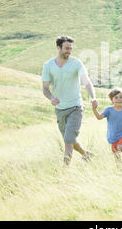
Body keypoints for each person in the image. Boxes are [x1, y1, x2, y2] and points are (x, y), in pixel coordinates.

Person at [42, 35, 98, 165]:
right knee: (71, 140)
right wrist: (51, 98)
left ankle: (65, 170)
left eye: (70, 48)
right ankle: (87, 154)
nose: (69, 51)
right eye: (66, 48)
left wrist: (93, 97)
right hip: (60, 110)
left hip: (75, 107)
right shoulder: (48, 65)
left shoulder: (76, 63)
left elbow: (87, 82)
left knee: (68, 140)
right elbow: (45, 88)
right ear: (58, 48)